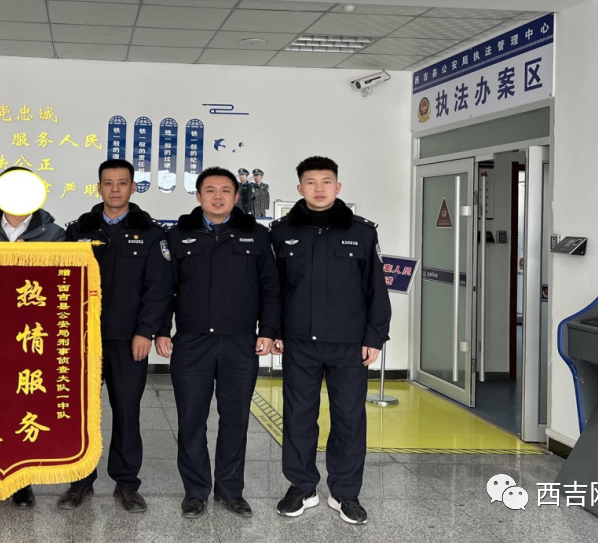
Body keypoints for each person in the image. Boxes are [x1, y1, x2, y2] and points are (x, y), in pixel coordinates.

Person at [270, 156, 391, 525]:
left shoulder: (362, 232)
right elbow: (273, 289)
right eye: (311, 182)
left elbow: (376, 289)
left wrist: (375, 337)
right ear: (299, 188)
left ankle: (345, 492)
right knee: (299, 417)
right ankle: (302, 487)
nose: (319, 188)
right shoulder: (281, 232)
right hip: (299, 343)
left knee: (349, 419)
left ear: (338, 187)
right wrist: (274, 331)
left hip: (349, 344)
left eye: (326, 181)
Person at [155, 166, 280, 519]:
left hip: (240, 342)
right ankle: (195, 491)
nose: (218, 196)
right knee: (190, 420)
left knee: (236, 419)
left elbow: (271, 288)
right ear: (198, 196)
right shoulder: (178, 235)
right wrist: (162, 330)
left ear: (237, 196)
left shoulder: (257, 236)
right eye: (210, 190)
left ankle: (230, 490)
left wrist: (268, 330)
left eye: (225, 190)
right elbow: (164, 288)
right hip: (191, 342)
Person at [57, 160, 172, 513]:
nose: (115, 189)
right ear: (99, 188)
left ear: (133, 188)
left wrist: (145, 332)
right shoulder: (78, 230)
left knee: (126, 410)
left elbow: (159, 289)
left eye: (122, 183)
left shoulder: (151, 233)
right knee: (80, 411)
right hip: (82, 339)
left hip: (127, 339)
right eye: (108, 183)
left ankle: (126, 483)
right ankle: (80, 479)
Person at [0, 166, 66, 508]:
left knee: (26, 404)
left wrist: (33, 259)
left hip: (31, 332)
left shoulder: (53, 232)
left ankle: (23, 482)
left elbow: (62, 281)